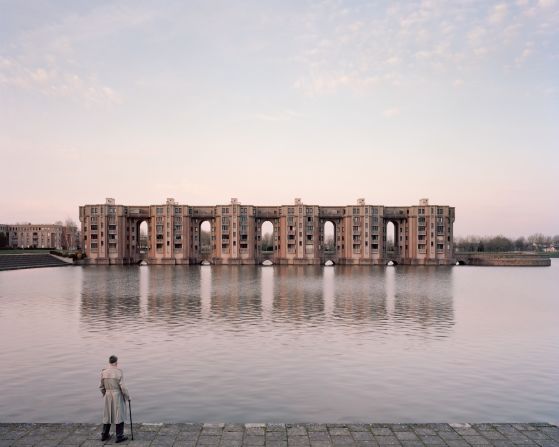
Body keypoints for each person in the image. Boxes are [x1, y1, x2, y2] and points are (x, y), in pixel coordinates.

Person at [99, 355, 131, 443]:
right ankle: (119, 436)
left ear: (109, 362)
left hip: (108, 395)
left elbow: (101, 387)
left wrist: (104, 394)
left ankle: (104, 435)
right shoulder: (119, 372)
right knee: (119, 415)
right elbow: (123, 387)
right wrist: (128, 397)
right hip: (117, 395)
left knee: (107, 415)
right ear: (116, 362)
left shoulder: (103, 372)